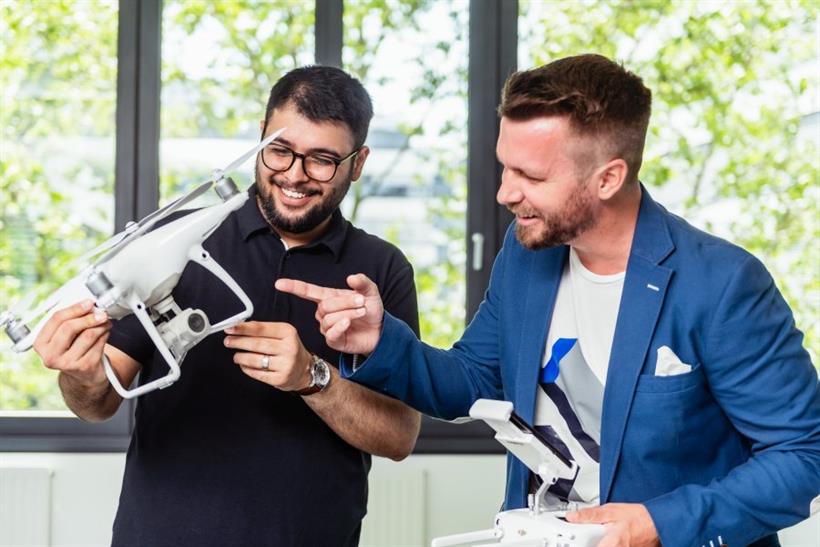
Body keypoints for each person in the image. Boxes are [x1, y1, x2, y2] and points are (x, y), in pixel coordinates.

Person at [277, 54, 820, 547]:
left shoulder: (722, 284)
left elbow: (803, 455)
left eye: (530, 175)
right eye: (504, 166)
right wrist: (381, 341)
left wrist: (657, 524)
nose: (505, 193)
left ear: (608, 178)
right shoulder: (527, 252)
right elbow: (474, 379)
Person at [33, 65, 421, 546]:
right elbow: (98, 402)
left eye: (322, 160)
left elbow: (399, 437)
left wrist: (312, 377)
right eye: (280, 150)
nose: (294, 175)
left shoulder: (381, 270)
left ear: (357, 163)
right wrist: (80, 375)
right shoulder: (173, 243)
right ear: (260, 137)